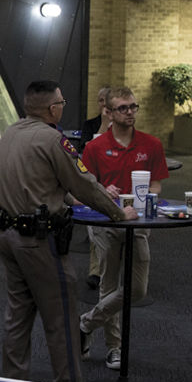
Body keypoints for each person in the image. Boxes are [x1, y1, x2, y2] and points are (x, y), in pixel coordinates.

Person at [0, 80, 137, 382]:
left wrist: (67, 198)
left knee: (18, 320)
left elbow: (42, 182)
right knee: (63, 324)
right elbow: (83, 183)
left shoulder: (10, 134)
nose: (63, 106)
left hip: (8, 236)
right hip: (40, 243)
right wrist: (119, 213)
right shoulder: (53, 139)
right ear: (51, 109)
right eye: (60, 102)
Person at [79, 87, 168, 370]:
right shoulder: (94, 147)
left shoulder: (151, 144)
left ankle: (86, 322)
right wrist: (104, 190)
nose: (130, 112)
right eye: (123, 108)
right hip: (106, 223)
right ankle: (114, 348)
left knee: (137, 289)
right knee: (108, 285)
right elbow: (86, 186)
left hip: (139, 224)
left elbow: (156, 183)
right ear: (109, 112)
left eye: (133, 107)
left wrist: (148, 198)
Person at [80, 86, 112, 290]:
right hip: (95, 182)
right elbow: (84, 152)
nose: (103, 105)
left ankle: (112, 271)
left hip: (117, 181)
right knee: (96, 231)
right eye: (100, 100)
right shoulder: (90, 124)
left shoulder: (123, 126)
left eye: (107, 101)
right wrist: (102, 126)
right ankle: (95, 271)